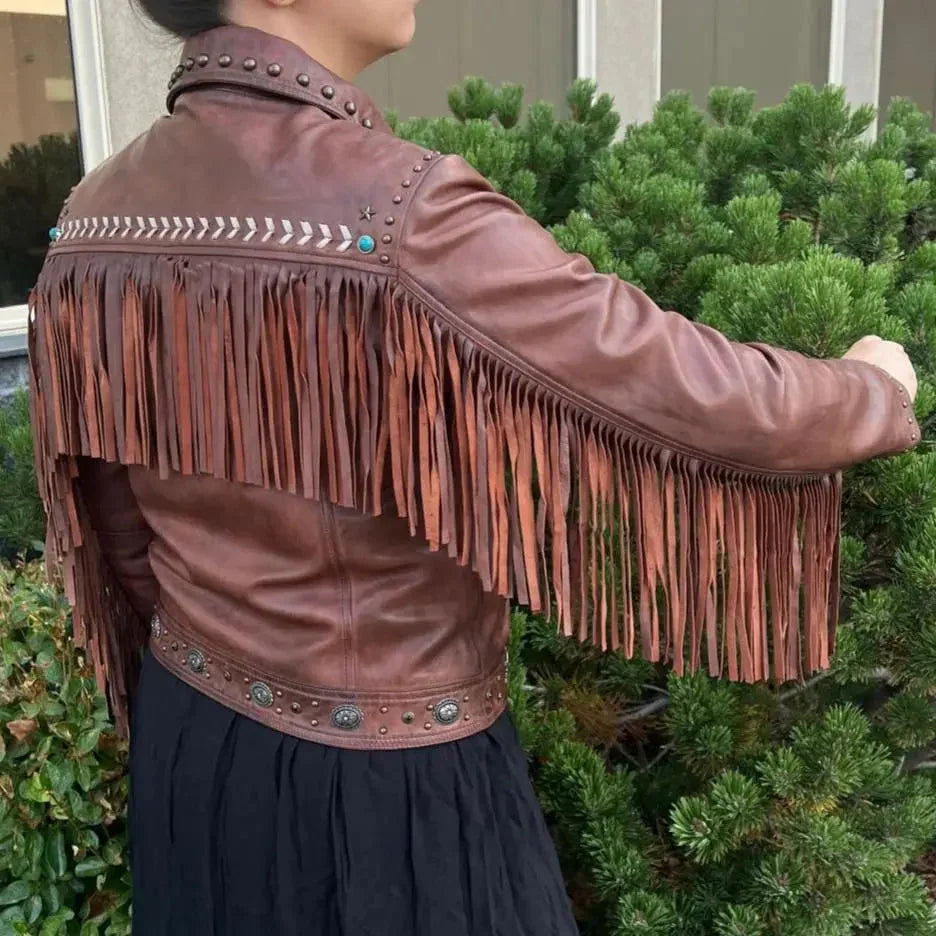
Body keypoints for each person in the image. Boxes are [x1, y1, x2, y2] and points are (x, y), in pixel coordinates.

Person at [27, 0, 919, 933]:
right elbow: (689, 391)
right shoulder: (401, 211)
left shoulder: (96, 216)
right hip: (386, 787)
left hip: (195, 749)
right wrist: (869, 386)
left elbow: (121, 540)